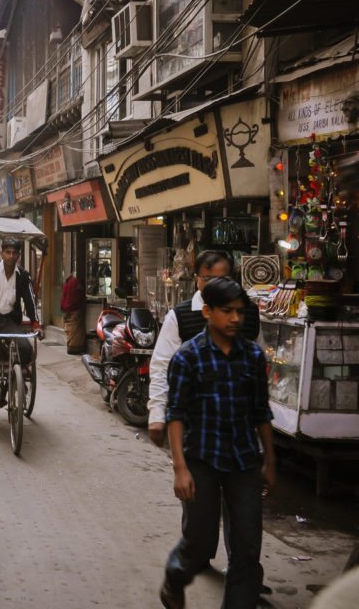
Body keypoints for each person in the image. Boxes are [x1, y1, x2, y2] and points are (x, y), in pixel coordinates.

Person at [160, 277, 275, 609]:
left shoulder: (252, 356)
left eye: (239, 312)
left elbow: (260, 411)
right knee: (199, 541)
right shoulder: (188, 357)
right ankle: (175, 578)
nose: (235, 319)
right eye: (227, 311)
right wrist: (180, 469)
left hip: (244, 461)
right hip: (201, 460)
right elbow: (176, 415)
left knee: (247, 547)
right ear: (208, 311)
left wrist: (270, 461)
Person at [148, 250, 261, 447]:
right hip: (196, 428)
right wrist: (157, 414)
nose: (215, 285)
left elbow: (259, 370)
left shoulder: (249, 314)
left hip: (242, 428)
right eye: (207, 278)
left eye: (222, 278)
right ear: (196, 279)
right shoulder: (180, 316)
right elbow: (161, 366)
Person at [0, 238, 40, 426]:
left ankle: (7, 388)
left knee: (26, 350)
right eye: (8, 252)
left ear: (19, 256)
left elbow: (30, 301)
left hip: (9, 321)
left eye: (14, 253)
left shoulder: (23, 275)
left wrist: (36, 324)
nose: (11, 256)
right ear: (2, 253)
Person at [60, 273, 87, 355]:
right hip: (73, 307)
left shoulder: (68, 282)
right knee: (75, 329)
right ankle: (74, 348)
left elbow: (64, 295)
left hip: (66, 307)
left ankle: (71, 346)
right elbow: (78, 296)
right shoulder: (77, 282)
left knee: (69, 328)